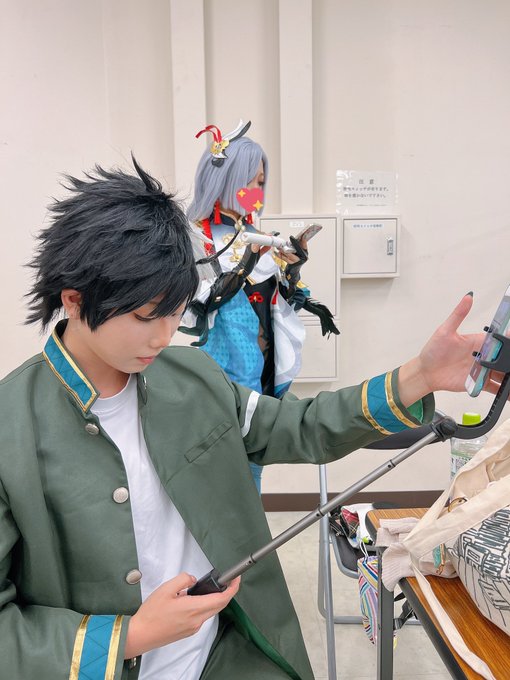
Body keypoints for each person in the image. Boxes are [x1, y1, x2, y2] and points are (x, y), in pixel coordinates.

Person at [0, 156, 496, 680]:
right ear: (75, 301)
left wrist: (419, 375)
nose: (164, 336)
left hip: (226, 655)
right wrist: (132, 637)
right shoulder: (12, 428)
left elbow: (302, 427)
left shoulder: (192, 377)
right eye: (145, 317)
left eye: (175, 312)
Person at [184, 120, 339, 492]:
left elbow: (282, 298)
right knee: (229, 467)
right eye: (250, 183)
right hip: (229, 365)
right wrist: (247, 261)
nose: (257, 192)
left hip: (265, 363)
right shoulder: (198, 236)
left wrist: (294, 265)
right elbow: (199, 304)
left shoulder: (252, 231)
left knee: (254, 460)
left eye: (261, 183)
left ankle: (248, 523)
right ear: (224, 181)